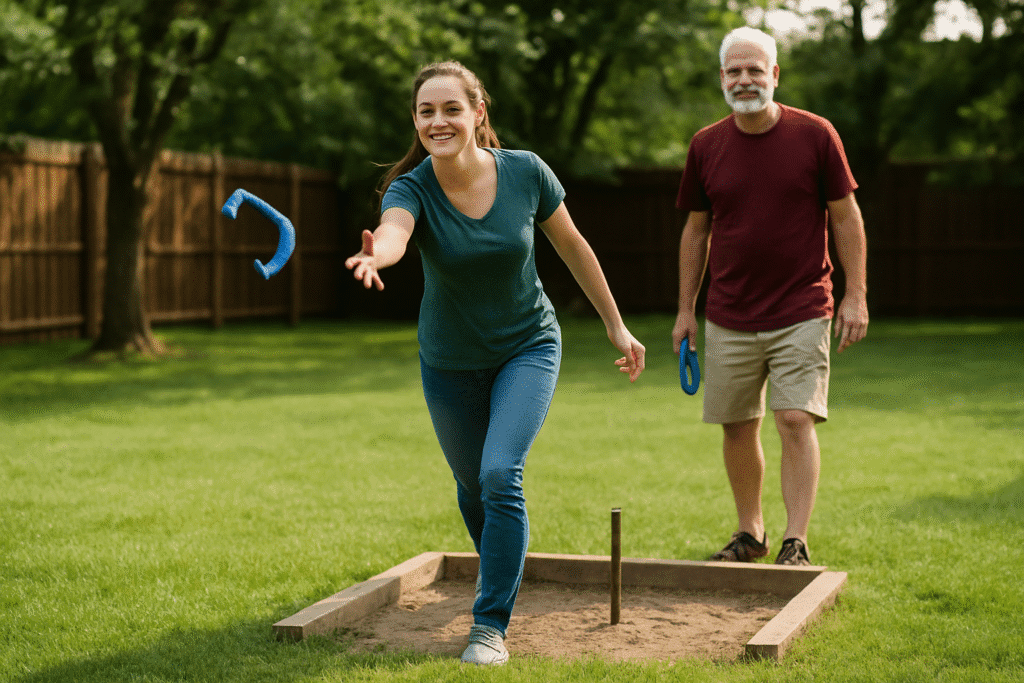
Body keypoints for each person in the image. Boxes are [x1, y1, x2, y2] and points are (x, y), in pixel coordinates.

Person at [346, 61, 645, 665]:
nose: (439, 121)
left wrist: (616, 325)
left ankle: (490, 625)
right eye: (426, 111)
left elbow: (573, 247)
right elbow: (397, 231)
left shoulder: (526, 172)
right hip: (449, 360)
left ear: (478, 112)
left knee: (498, 473)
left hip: (527, 346)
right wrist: (381, 254)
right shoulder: (411, 187)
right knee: (471, 486)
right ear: (416, 120)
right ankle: (502, 573)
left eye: (451, 108)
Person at [672, 27, 869, 566]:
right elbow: (696, 231)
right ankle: (750, 534)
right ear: (722, 79)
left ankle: (795, 540)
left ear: (775, 75)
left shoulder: (815, 135)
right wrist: (686, 310)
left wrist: (857, 293)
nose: (744, 80)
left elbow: (845, 215)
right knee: (737, 425)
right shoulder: (706, 145)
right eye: (734, 71)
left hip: (802, 306)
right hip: (730, 313)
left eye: (755, 70)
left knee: (794, 419)